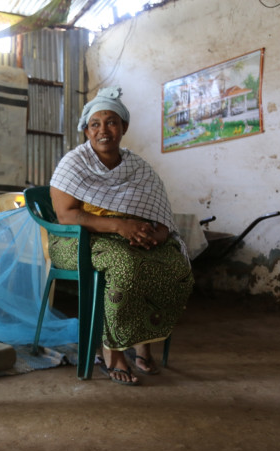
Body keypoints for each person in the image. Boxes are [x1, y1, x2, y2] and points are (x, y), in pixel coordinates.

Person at [49, 87, 194, 386]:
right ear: (86, 131)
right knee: (126, 265)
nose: (104, 130)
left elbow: (160, 213)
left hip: (128, 236)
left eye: (112, 122)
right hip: (77, 240)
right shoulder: (73, 164)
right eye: (95, 124)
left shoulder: (138, 167)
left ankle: (143, 345)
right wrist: (120, 226)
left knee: (174, 264)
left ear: (123, 127)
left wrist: (156, 234)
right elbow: (67, 216)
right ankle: (111, 352)